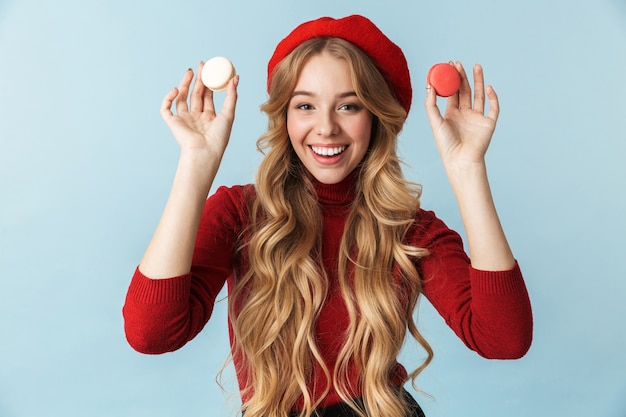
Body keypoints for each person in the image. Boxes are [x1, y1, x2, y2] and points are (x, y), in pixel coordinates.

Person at [122, 14, 533, 417]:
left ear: (375, 117)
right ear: (284, 116)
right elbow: (151, 333)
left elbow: (504, 339)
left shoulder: (411, 229)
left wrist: (468, 170)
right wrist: (195, 163)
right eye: (305, 106)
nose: (326, 128)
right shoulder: (239, 214)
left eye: (348, 106)